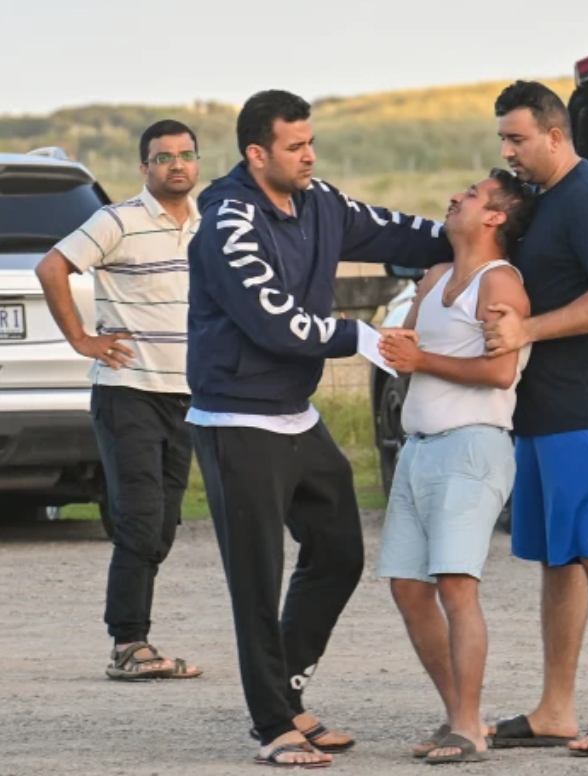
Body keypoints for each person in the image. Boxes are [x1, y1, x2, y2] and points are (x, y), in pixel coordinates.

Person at [186, 89, 452, 769]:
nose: (310, 156)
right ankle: (274, 726)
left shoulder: (321, 201)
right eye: (295, 146)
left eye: (311, 143)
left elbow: (402, 234)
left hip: (295, 415)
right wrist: (361, 336)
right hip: (236, 418)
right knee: (257, 578)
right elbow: (271, 320)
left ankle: (288, 692)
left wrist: (482, 234)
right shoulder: (228, 222)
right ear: (257, 154)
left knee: (338, 554)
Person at [481, 81, 588, 758]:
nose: (508, 151)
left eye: (517, 139)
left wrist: (527, 330)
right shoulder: (546, 200)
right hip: (545, 410)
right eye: (503, 139)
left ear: (554, 136)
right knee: (559, 561)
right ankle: (555, 710)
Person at [375, 169, 536, 765]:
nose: (454, 198)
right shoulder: (436, 276)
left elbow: (500, 371)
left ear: (495, 216)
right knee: (408, 586)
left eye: (470, 195)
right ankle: (458, 715)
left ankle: (469, 726)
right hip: (418, 447)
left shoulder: (501, 283)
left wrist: (422, 359)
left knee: (455, 586)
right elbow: (407, 351)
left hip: (472, 447)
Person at [36, 120, 203, 682]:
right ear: (144, 167)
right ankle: (128, 644)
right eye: (163, 157)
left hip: (186, 398)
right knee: (139, 519)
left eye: (185, 155)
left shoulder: (208, 226)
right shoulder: (117, 220)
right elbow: (51, 266)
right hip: (128, 393)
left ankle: (136, 639)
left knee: (163, 524)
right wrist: (81, 339)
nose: (176, 165)